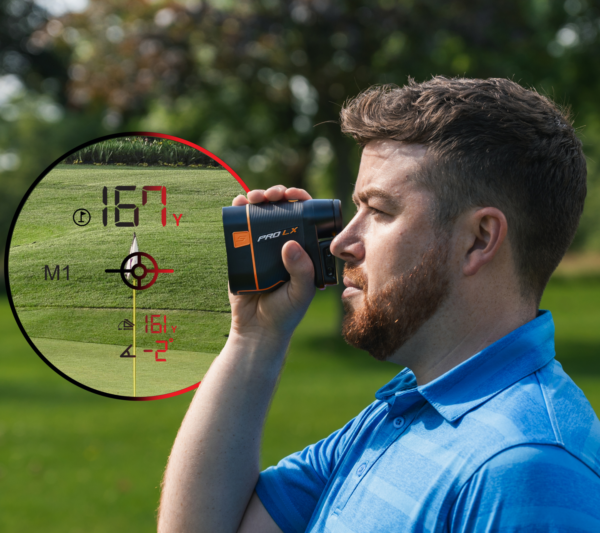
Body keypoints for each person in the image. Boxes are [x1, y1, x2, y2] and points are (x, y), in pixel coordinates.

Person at [158, 77, 600, 532]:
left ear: (478, 239)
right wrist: (255, 337)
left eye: (380, 211)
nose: (342, 243)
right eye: (356, 208)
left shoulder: (528, 470)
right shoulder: (403, 411)